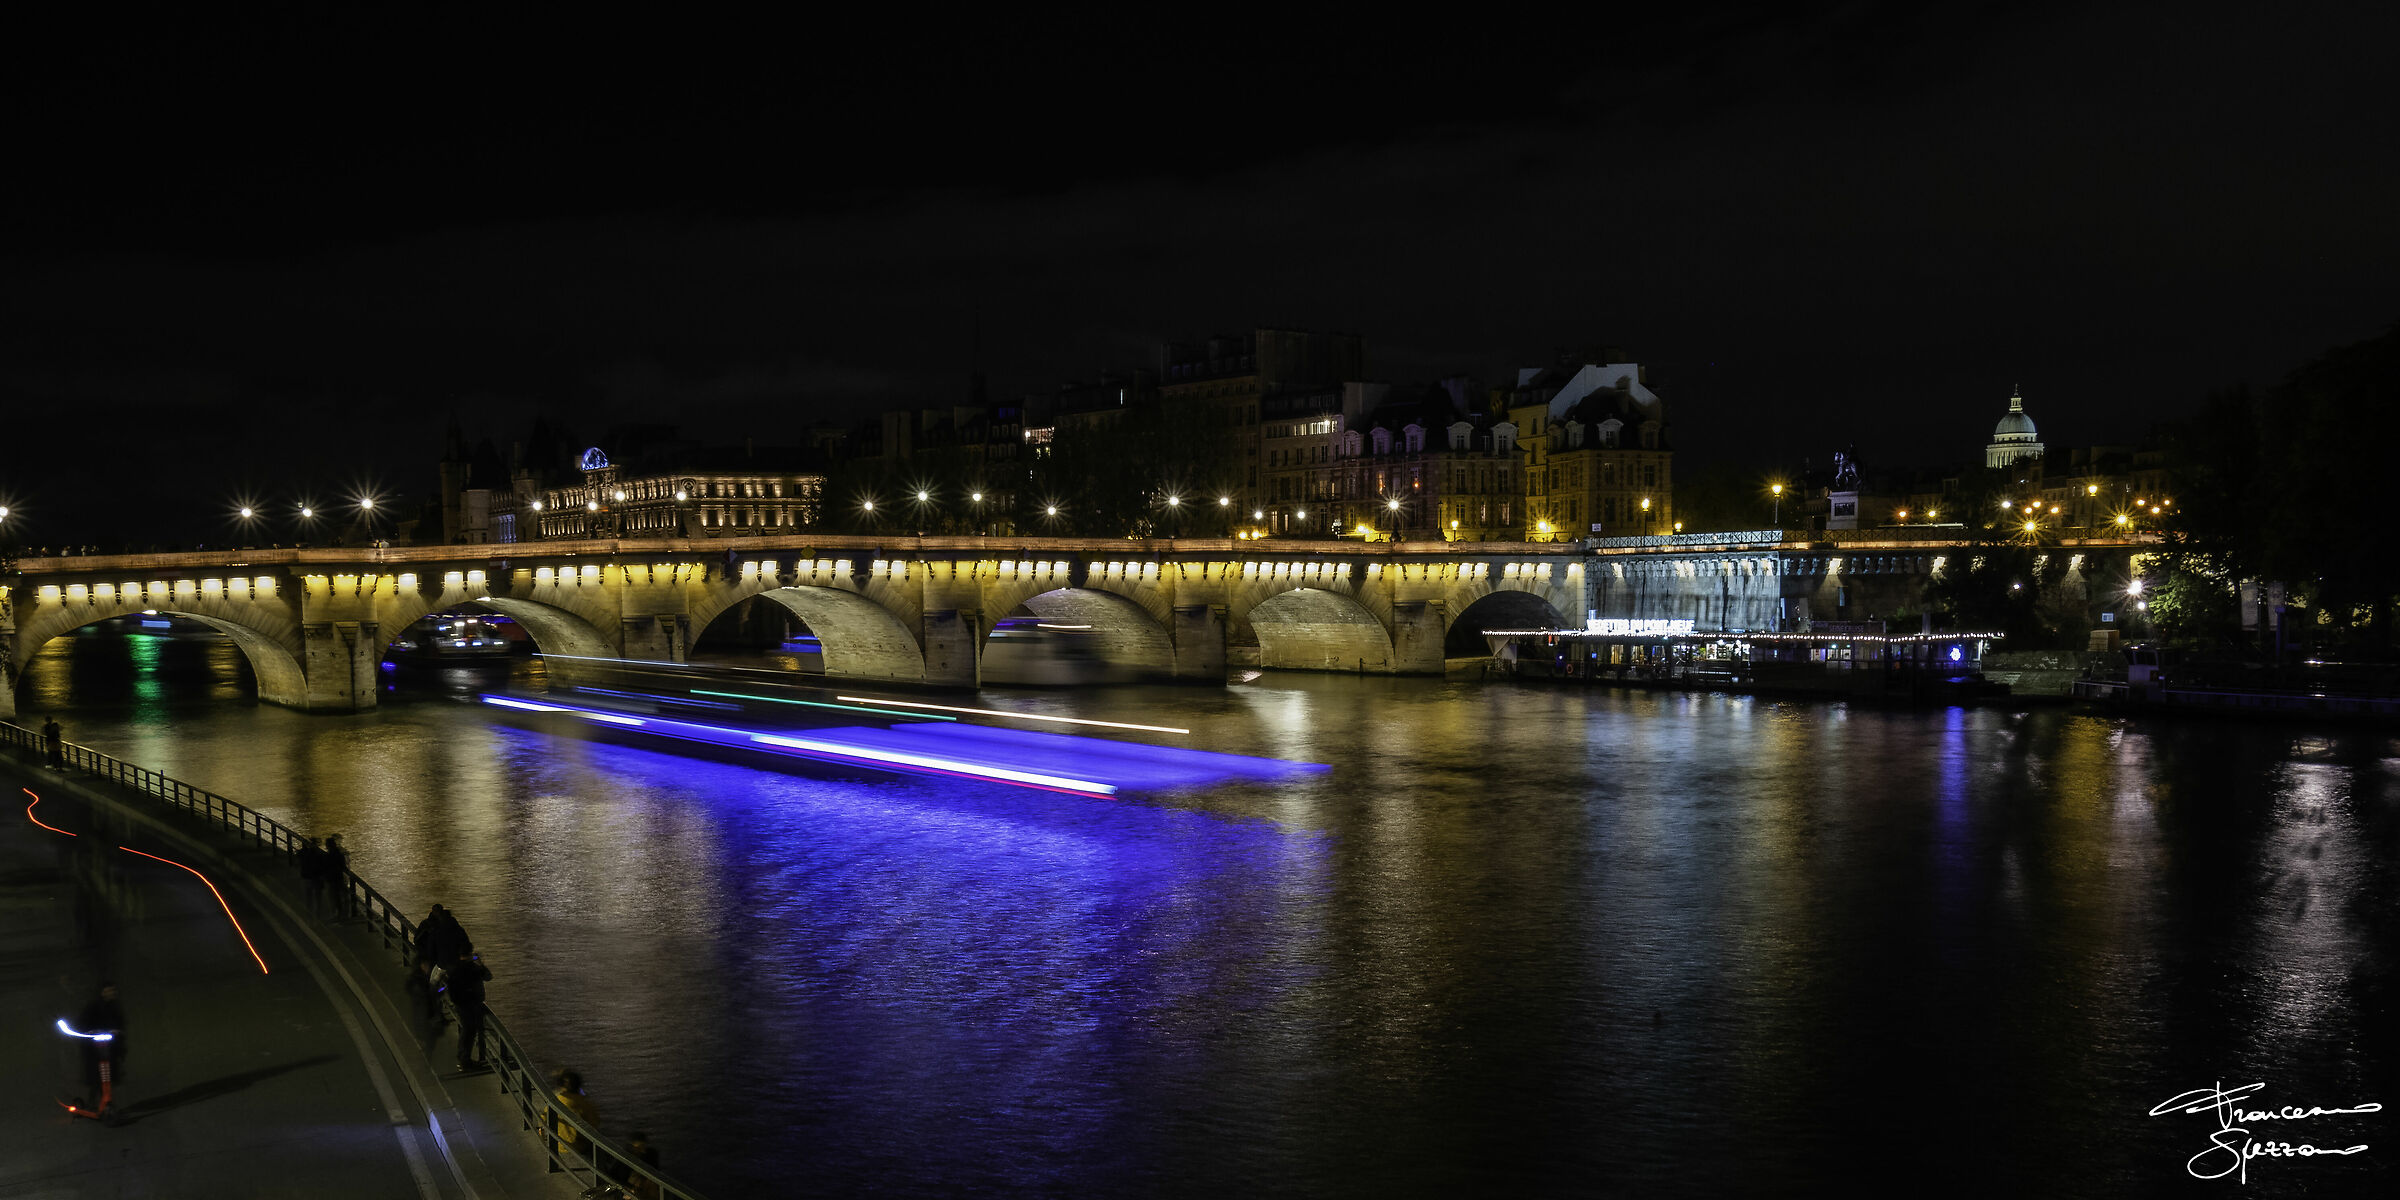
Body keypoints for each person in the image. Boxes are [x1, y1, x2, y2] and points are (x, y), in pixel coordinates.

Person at [72, 981, 127, 1120]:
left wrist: (118, 1032)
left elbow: (120, 1023)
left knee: (108, 1077)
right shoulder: (93, 1006)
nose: (112, 994)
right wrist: (91, 1031)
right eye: (109, 991)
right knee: (96, 1078)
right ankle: (92, 1104)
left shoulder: (115, 1007)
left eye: (113, 991)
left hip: (109, 1047)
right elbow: (83, 1022)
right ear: (102, 992)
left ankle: (107, 1104)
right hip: (94, 1048)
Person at [550, 1069, 601, 1164]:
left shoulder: (557, 1099)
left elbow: (543, 1118)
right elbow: (595, 1123)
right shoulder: (584, 1103)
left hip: (557, 1144)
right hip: (576, 1147)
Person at [322, 834, 351, 920]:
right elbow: (344, 866)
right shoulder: (341, 853)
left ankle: (336, 914)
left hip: (332, 879)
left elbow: (325, 867)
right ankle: (344, 914)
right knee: (343, 896)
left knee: (333, 897)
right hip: (339, 878)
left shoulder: (328, 855)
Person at [298, 838, 329, 916]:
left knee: (309, 895)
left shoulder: (303, 852)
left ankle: (309, 911)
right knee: (317, 895)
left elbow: (298, 860)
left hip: (307, 877)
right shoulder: (320, 853)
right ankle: (318, 911)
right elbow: (323, 865)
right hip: (316, 877)